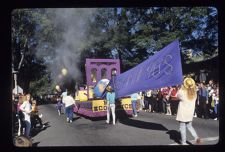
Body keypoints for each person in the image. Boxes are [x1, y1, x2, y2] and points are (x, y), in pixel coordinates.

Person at [176, 78, 201, 145]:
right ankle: (196, 137)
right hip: (190, 112)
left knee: (182, 128)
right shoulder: (194, 93)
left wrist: (181, 88)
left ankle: (184, 142)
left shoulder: (182, 91)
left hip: (183, 112)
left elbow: (177, 96)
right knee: (190, 126)